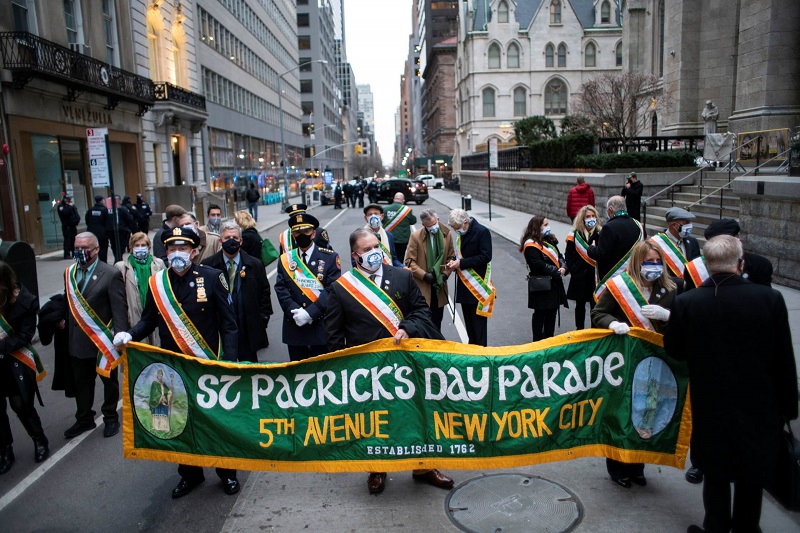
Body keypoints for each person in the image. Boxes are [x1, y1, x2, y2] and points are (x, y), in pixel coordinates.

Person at [664, 235, 797, 533]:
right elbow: (783, 359)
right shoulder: (769, 299)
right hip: (760, 406)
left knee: (716, 474)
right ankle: (747, 528)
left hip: (711, 404)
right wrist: (790, 406)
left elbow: (675, 351)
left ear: (708, 265)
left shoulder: (687, 302)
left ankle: (716, 526)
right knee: (752, 477)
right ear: (741, 263)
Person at [114, 227, 240, 498]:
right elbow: (149, 319)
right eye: (172, 249)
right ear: (166, 252)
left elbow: (229, 325)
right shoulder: (157, 283)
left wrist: (229, 362)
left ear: (193, 252)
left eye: (182, 249)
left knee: (215, 421)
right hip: (173, 367)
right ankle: (190, 474)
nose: (177, 254)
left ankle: (227, 472)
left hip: (208, 364)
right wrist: (130, 334)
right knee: (179, 420)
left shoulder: (212, 277)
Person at [326, 228, 452, 495]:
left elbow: (421, 311)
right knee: (377, 419)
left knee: (418, 415)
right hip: (369, 369)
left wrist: (407, 327)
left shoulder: (403, 277)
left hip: (407, 362)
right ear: (355, 255)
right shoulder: (341, 288)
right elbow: (334, 334)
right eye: (367, 249)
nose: (374, 253)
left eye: (376, 247)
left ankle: (423, 467)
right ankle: (377, 468)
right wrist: (341, 370)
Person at [591, 240, 678, 489]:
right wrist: (612, 324)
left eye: (657, 261)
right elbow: (598, 313)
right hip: (625, 359)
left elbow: (681, 324)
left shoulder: (670, 290)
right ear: (637, 263)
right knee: (622, 412)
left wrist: (668, 317)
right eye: (648, 262)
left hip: (655, 362)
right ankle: (618, 467)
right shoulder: (621, 287)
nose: (653, 266)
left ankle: (638, 465)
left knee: (646, 413)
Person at [64, 232, 129, 439]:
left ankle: (110, 417)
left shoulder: (110, 274)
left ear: (97, 249)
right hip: (79, 341)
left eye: (85, 248)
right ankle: (84, 419)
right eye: (77, 248)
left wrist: (120, 336)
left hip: (103, 341)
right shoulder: (69, 273)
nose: (80, 253)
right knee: (82, 384)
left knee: (109, 383)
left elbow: (119, 308)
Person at [0, 261, 48, 474]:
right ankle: (5, 448)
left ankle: (39, 440)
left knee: (21, 405)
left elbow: (24, 335)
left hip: (15, 359)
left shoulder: (25, 302)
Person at [202, 220, 272, 362]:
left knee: (249, 370)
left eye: (235, 238)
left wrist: (263, 318)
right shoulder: (208, 265)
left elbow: (264, 292)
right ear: (221, 240)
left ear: (241, 241)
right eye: (227, 238)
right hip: (221, 330)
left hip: (248, 328)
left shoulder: (255, 264)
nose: (231, 241)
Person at [274, 213, 340, 361]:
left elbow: (331, 290)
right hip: (295, 325)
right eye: (297, 232)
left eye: (306, 231)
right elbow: (281, 288)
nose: (301, 235)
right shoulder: (285, 259)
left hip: (320, 325)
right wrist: (294, 312)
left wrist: (310, 313)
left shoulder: (330, 257)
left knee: (322, 372)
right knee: (298, 374)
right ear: (293, 235)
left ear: (313, 233)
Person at [446, 208, 494, 346]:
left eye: (458, 228)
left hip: (477, 285)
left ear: (465, 222)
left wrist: (461, 263)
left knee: (478, 328)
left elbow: (486, 256)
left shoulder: (482, 231)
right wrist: (454, 262)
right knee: (469, 327)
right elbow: (461, 254)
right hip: (464, 285)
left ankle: (481, 356)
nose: (457, 231)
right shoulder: (463, 232)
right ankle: (472, 353)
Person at [683, 218, 773, 290]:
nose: (723, 247)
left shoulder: (760, 265)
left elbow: (766, 299)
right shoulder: (696, 267)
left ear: (737, 239)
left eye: (727, 242)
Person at [405, 209, 455, 334]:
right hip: (423, 286)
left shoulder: (446, 234)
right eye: (430, 226)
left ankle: (436, 346)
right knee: (425, 320)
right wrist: (424, 275)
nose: (433, 227)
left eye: (435, 224)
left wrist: (445, 274)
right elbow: (409, 261)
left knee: (438, 319)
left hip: (439, 285)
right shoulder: (416, 237)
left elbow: (451, 257)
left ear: (438, 219)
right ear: (423, 225)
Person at [114, 232, 166, 347]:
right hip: (134, 315)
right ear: (131, 248)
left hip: (155, 315)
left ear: (149, 247)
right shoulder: (122, 267)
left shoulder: (159, 264)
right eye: (136, 245)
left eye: (143, 245)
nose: (140, 248)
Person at [587, 196, 643, 301]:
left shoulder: (609, 227)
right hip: (632, 276)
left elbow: (600, 254)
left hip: (613, 277)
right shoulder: (637, 225)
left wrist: (591, 248)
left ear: (610, 210)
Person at [520, 216, 568, 341]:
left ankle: (549, 339)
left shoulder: (550, 240)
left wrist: (563, 267)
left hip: (554, 283)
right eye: (545, 224)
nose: (548, 227)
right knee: (540, 313)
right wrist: (556, 271)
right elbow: (537, 264)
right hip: (541, 284)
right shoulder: (531, 244)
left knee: (552, 312)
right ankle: (537, 340)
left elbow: (559, 256)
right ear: (538, 227)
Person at [565, 205, 601, 329]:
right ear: (582, 219)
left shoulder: (601, 233)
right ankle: (579, 331)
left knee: (594, 306)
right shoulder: (575, 234)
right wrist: (573, 270)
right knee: (579, 305)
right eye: (588, 217)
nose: (591, 219)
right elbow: (568, 254)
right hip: (579, 276)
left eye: (593, 216)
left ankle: (593, 333)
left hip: (595, 277)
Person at [649, 207, 701, 279]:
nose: (690, 225)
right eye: (686, 223)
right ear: (674, 225)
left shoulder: (692, 242)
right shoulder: (656, 244)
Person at [383, 192, 416, 261]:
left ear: (394, 199)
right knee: (399, 259)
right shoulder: (407, 210)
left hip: (388, 239)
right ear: (403, 200)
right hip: (402, 239)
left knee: (388, 258)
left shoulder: (385, 209)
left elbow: (382, 221)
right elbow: (413, 221)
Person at [108, 196, 136, 263]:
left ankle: (118, 259)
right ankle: (118, 259)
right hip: (121, 230)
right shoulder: (122, 209)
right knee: (120, 247)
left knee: (115, 246)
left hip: (114, 231)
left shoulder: (109, 210)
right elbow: (129, 219)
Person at [85, 195, 110, 263]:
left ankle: (92, 262)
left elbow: (87, 220)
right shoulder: (104, 210)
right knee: (103, 249)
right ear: (101, 201)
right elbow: (108, 222)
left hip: (92, 233)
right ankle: (103, 263)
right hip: (102, 233)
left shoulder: (90, 210)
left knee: (92, 248)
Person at [58, 194, 80, 260]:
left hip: (73, 225)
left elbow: (75, 212)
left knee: (74, 240)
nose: (69, 200)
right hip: (67, 226)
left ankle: (74, 253)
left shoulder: (71, 205)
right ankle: (67, 254)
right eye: (68, 199)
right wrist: (70, 207)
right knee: (67, 240)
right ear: (64, 199)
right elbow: (65, 213)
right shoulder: (61, 206)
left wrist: (77, 219)